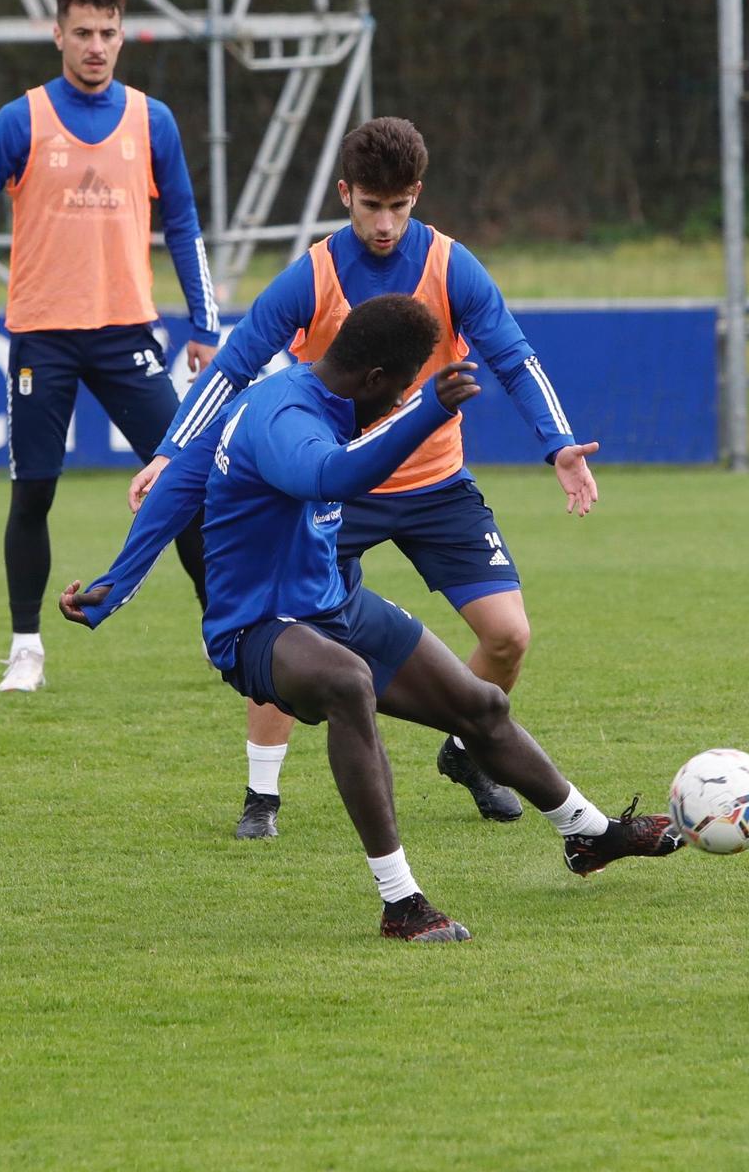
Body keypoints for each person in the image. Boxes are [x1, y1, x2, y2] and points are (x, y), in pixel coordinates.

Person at [61, 294, 676, 940]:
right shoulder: (285, 419)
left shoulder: (301, 397)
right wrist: (426, 412)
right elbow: (329, 476)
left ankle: (591, 835)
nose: (396, 404)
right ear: (375, 380)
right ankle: (400, 902)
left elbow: (184, 474)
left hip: (334, 603)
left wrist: (115, 580)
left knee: (482, 706)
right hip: (257, 626)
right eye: (398, 392)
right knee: (347, 682)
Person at [130, 117, 598, 839]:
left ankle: (469, 750)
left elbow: (513, 354)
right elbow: (233, 366)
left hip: (436, 485)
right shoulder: (312, 275)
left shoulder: (451, 265)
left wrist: (559, 444)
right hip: (331, 491)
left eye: (399, 206)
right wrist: (170, 449)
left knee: (508, 635)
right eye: (370, 206)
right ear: (345, 194)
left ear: (416, 195)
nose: (385, 224)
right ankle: (263, 794)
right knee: (288, 627)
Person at [0, 0, 220, 693]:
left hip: (128, 333)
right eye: (82, 32)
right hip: (44, 336)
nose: (95, 46)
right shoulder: (21, 119)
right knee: (33, 494)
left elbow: (183, 223)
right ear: (57, 34)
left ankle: (228, 632)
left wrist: (205, 323)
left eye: (107, 33)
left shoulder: (153, 121)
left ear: (124, 36)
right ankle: (27, 647)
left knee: (183, 481)